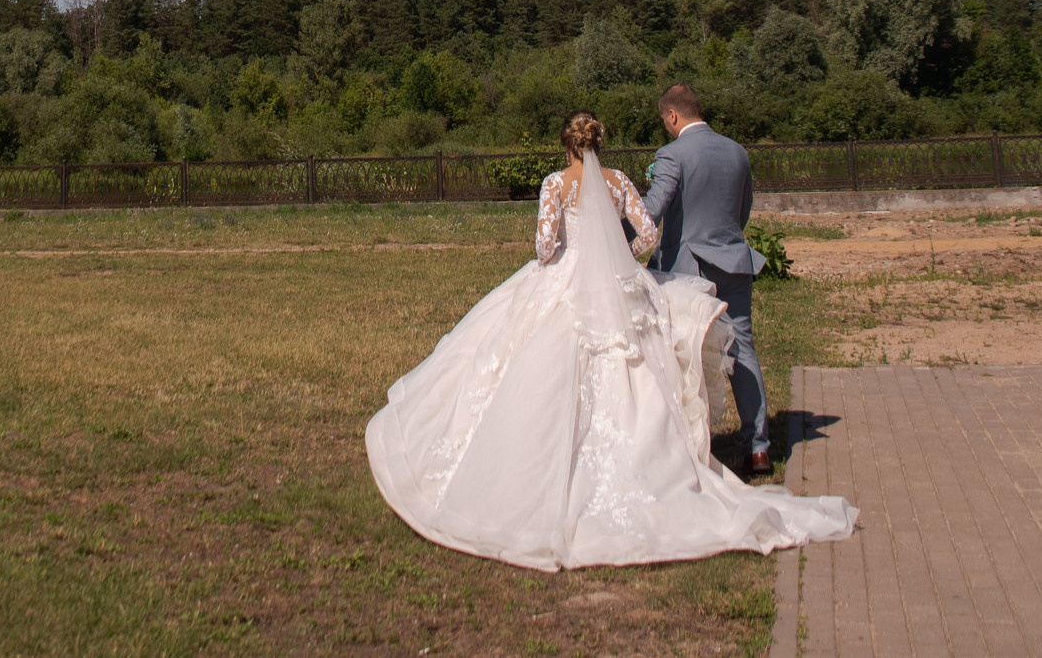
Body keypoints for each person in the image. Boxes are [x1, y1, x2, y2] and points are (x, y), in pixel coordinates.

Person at [364, 111, 855, 571]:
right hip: (621, 287)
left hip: (567, 280)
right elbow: (645, 236)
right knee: (635, 368)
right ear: (600, 143)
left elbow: (543, 245)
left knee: (530, 359)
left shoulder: (555, 183)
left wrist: (564, 249)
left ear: (566, 146)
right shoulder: (619, 182)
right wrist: (623, 259)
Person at [643, 81, 773, 475]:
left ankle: (687, 445)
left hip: (687, 270)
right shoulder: (737, 152)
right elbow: (743, 209)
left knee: (682, 354)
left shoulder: (672, 154)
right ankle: (759, 447)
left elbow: (652, 211)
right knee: (742, 350)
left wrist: (612, 230)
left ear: (671, 115)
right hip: (734, 261)